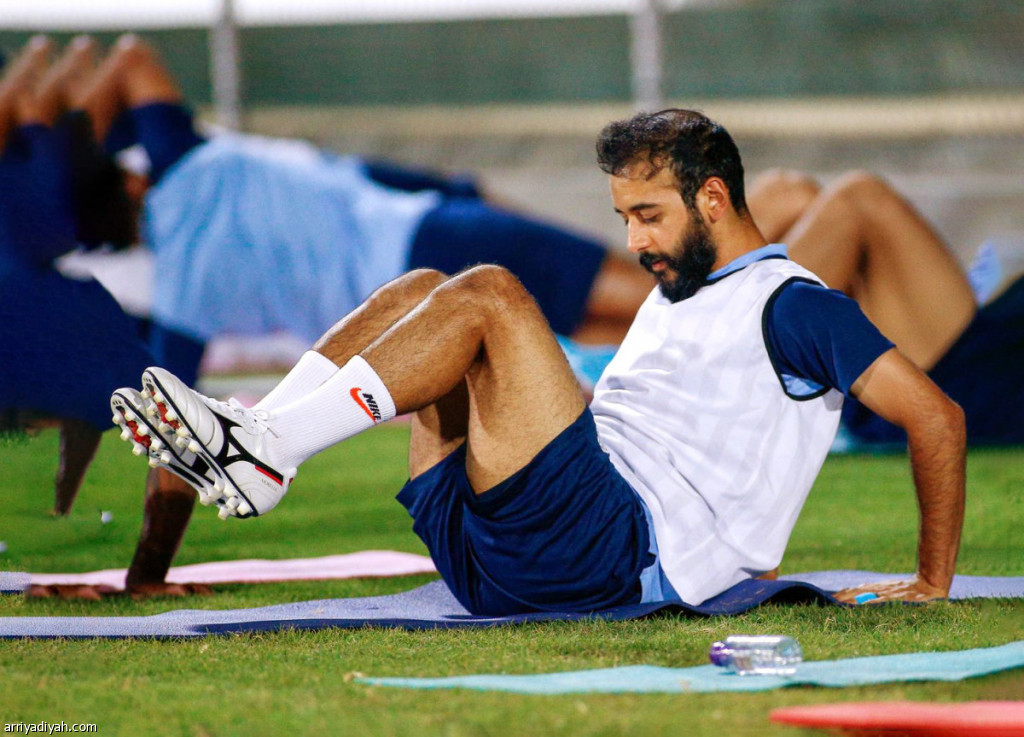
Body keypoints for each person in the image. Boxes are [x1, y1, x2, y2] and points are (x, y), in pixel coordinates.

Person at [110, 108, 966, 612]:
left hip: (611, 550)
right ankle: (260, 437)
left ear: (713, 198)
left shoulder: (795, 304)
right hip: (505, 554)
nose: (632, 241)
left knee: (490, 292)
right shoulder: (682, 287)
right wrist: (145, 578)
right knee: (421, 289)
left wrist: (932, 581)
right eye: (624, 218)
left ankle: (267, 451)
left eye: (648, 216)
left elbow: (937, 416)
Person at [746, 168, 1024, 446]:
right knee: (788, 193)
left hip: (966, 386)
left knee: (860, 200)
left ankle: (733, 350)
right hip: (982, 340)